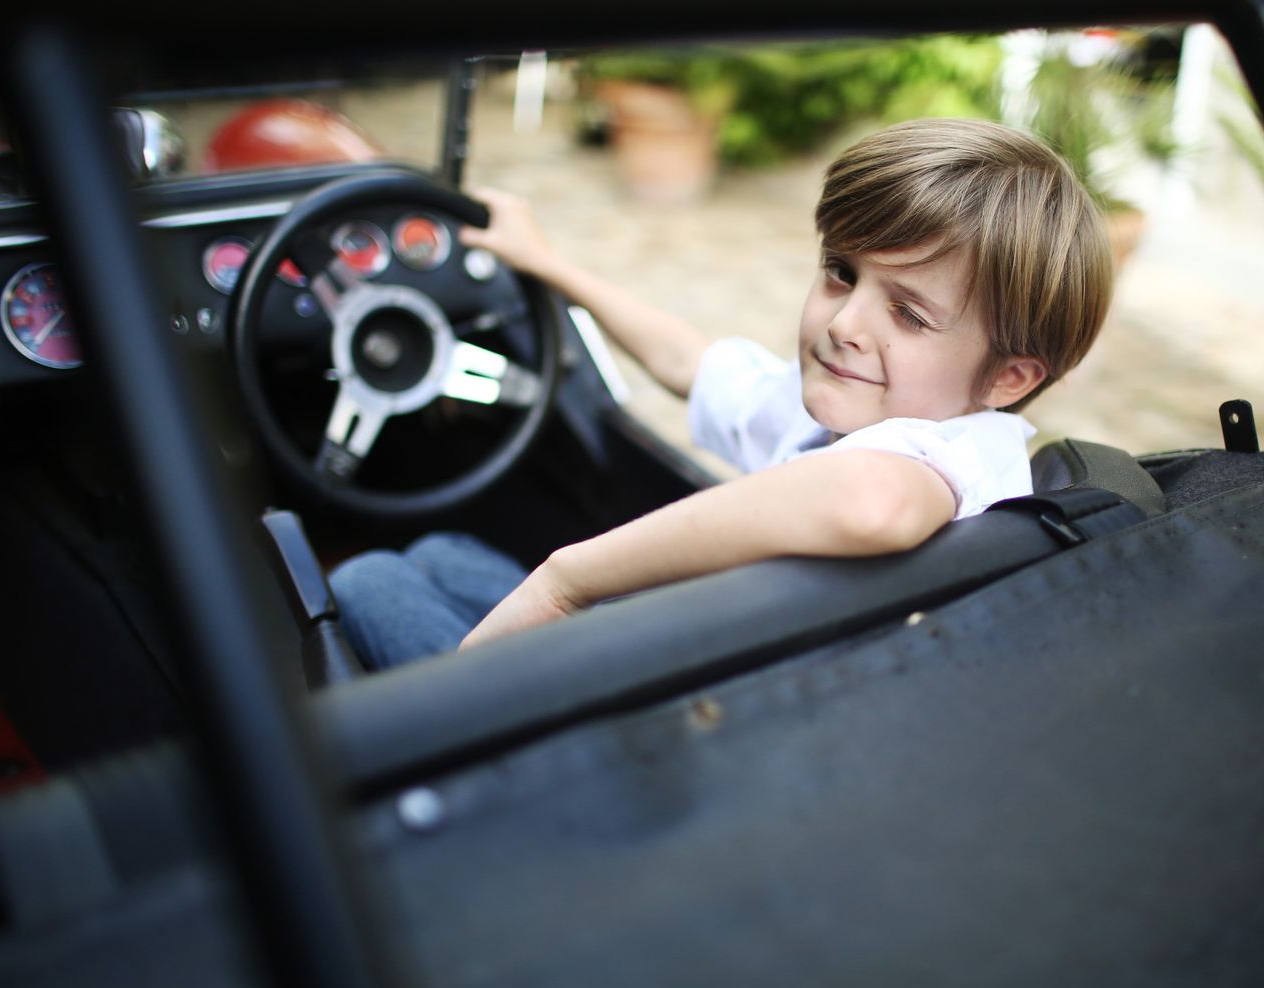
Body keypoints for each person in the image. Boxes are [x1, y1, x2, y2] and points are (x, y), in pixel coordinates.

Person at [330, 117, 1113, 669]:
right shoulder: (854, 413)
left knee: (366, 578)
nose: (844, 323)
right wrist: (551, 266)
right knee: (438, 553)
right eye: (841, 272)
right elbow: (692, 362)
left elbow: (872, 501)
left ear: (1009, 379)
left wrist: (567, 581)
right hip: (701, 652)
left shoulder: (957, 455)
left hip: (696, 716)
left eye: (907, 314)